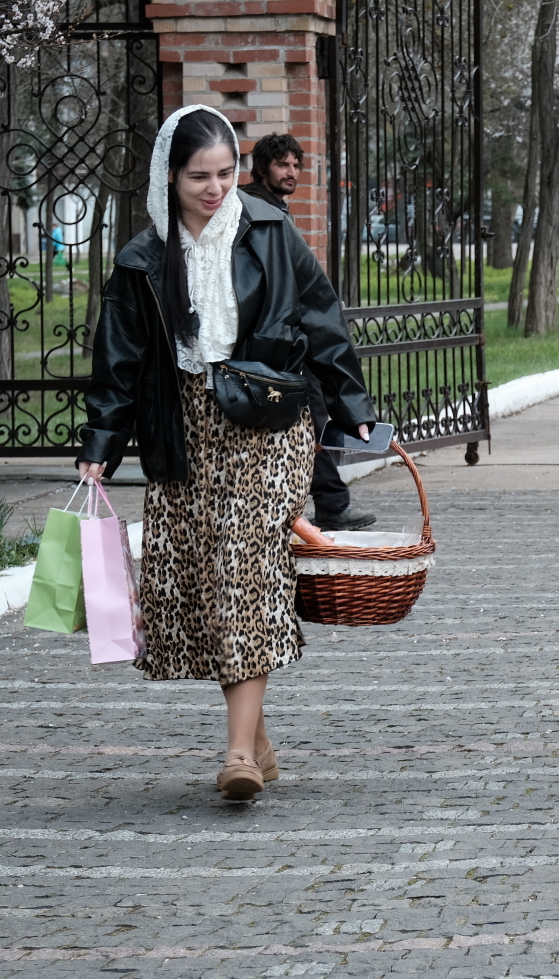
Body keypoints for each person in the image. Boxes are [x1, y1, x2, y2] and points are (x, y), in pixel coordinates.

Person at [77, 105, 376, 802]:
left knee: (245, 568)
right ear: (170, 177)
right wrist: (99, 444)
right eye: (199, 177)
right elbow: (118, 361)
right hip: (184, 432)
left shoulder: (271, 231)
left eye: (226, 172)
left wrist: (353, 405)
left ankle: (237, 752)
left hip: (267, 423)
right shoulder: (143, 258)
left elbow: (322, 318)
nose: (216, 189)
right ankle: (261, 739)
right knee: (212, 584)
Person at [240, 132, 376, 530]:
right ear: (262, 167)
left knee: (313, 419)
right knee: (312, 420)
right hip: (279, 342)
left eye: (296, 165)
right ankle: (331, 506)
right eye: (283, 164)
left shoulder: (274, 210)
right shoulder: (257, 212)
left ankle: (329, 505)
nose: (291, 172)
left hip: (293, 338)